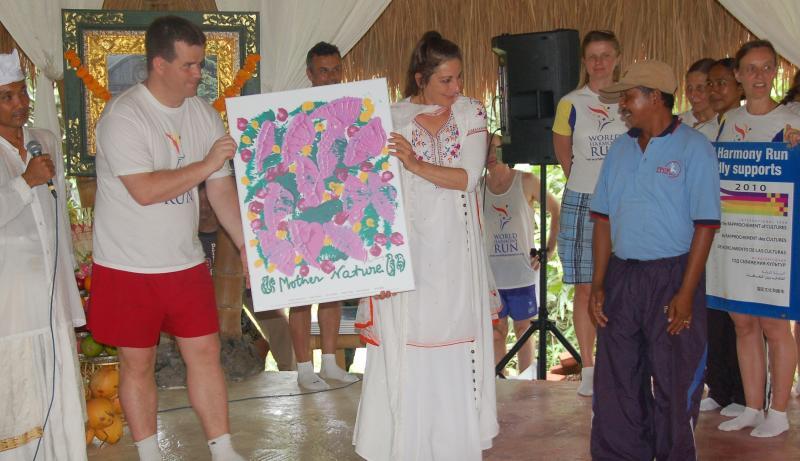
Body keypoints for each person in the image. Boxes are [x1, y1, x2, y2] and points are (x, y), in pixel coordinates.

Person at [87, 16, 246, 460]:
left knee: (206, 352)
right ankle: (149, 453)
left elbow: (220, 189)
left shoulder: (202, 113)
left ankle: (223, 449)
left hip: (184, 261)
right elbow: (145, 190)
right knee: (138, 362)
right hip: (127, 264)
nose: (199, 74)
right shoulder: (123, 116)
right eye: (189, 65)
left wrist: (246, 245)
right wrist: (206, 163)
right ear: (159, 64)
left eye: (201, 64)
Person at [353, 31, 498, 460]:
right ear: (421, 78)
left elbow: (468, 178)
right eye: (445, 81)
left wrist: (414, 163)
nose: (456, 88)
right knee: (406, 345)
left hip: (457, 257)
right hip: (407, 255)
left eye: (458, 78)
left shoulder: (470, 112)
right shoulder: (387, 118)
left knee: (454, 340)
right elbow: (370, 197)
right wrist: (378, 265)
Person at [588, 60, 720, 460]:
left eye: (629, 97)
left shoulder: (694, 148)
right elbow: (603, 221)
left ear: (656, 98)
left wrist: (686, 292)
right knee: (618, 379)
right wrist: (598, 284)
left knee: (674, 378)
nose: (623, 105)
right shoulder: (619, 149)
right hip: (623, 277)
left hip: (673, 276)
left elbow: (705, 226)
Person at [0, 49, 87, 461]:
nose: (20, 103)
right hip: (11, 302)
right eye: (7, 97)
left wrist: (69, 282)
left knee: (58, 383)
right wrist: (26, 181)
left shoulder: (44, 141)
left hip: (51, 294)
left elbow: (57, 218)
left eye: (22, 92)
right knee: (19, 393)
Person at [715, 40, 800, 437]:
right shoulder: (728, 121)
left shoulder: (794, 118)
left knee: (774, 325)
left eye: (767, 67)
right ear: (738, 75)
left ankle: (778, 412)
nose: (759, 76)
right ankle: (752, 406)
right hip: (736, 237)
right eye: (751, 68)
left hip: (775, 240)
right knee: (743, 322)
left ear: (777, 71)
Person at [552, 30, 628, 396]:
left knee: (621, 286)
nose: (599, 63)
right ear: (584, 62)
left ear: (617, 59)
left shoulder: (630, 98)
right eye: (592, 56)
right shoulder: (570, 103)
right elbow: (564, 153)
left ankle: (620, 365)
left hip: (627, 204)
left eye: (605, 55)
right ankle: (589, 368)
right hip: (582, 200)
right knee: (586, 286)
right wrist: (586, 182)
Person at [280, 41, 357, 390]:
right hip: (301, 209)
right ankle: (303, 368)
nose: (331, 76)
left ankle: (329, 363)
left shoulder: (350, 109)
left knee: (333, 289)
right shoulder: (294, 111)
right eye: (324, 71)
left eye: (336, 69)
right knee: (301, 294)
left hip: (337, 208)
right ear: (310, 74)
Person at [485, 135, 560, 375]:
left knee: (523, 330)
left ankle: (526, 384)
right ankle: (499, 382)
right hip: (492, 277)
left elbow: (556, 208)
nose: (490, 155)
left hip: (522, 275)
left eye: (495, 149)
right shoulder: (477, 187)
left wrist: (549, 248)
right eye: (485, 150)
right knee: (496, 333)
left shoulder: (526, 181)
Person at [699, 57, 747, 417]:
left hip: (747, 234)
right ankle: (718, 387)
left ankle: (746, 394)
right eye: (710, 83)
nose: (715, 90)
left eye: (722, 83)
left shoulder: (752, 126)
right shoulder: (703, 132)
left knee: (742, 319)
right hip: (708, 236)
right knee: (712, 314)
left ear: (739, 85)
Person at [678, 58, 718, 139]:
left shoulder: (727, 124)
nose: (693, 94)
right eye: (689, 88)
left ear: (713, 88)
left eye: (700, 88)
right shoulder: (678, 124)